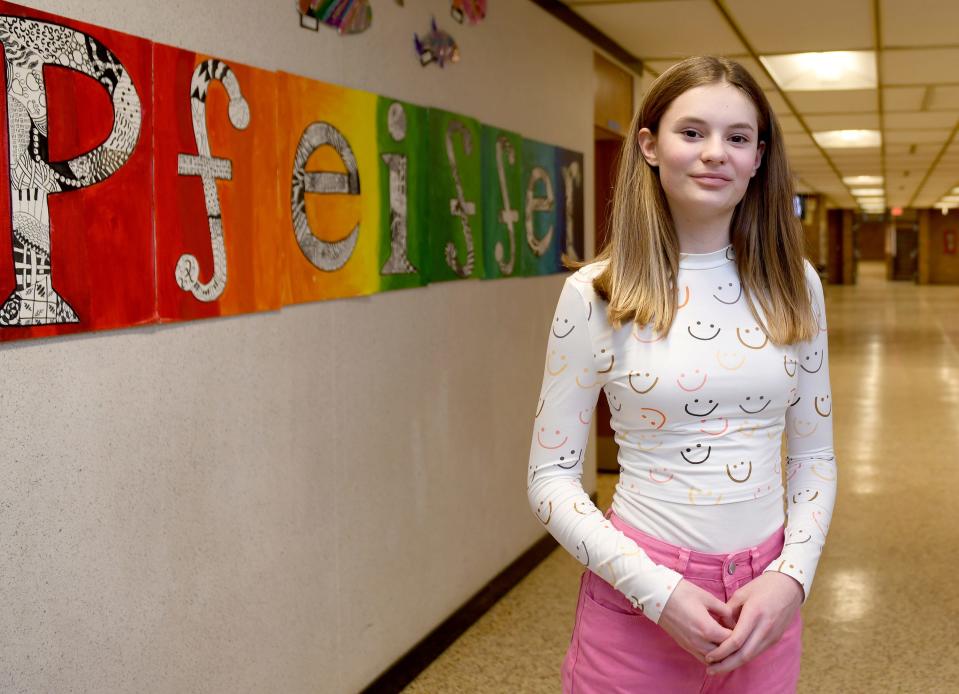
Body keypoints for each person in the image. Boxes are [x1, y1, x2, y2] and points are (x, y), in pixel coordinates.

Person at [527, 55, 836, 693]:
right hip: (638, 589)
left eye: (739, 137)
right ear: (649, 145)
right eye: (691, 132)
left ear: (758, 158)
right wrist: (660, 592)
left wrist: (792, 577)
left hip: (765, 596)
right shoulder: (597, 293)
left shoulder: (795, 284)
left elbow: (814, 457)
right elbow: (550, 479)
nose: (715, 153)